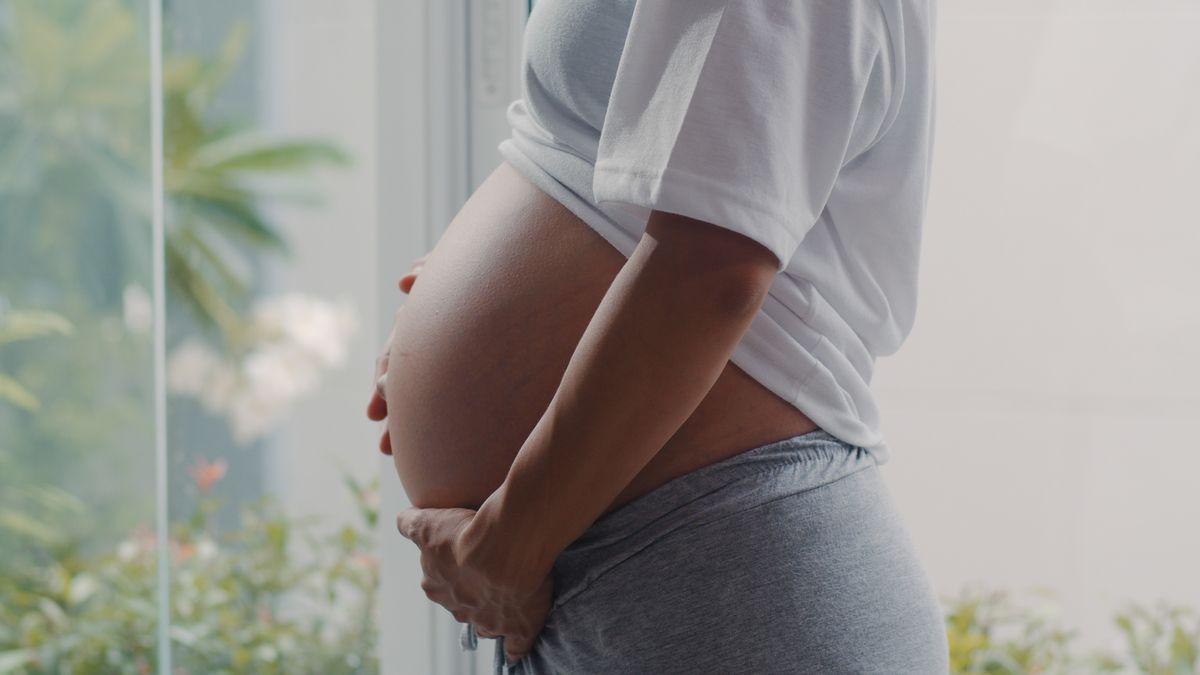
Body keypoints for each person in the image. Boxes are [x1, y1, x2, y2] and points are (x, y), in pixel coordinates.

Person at [369, 0, 947, 671]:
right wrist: (476, 282)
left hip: (727, 583)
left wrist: (506, 548)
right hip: (655, 577)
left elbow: (713, 270)